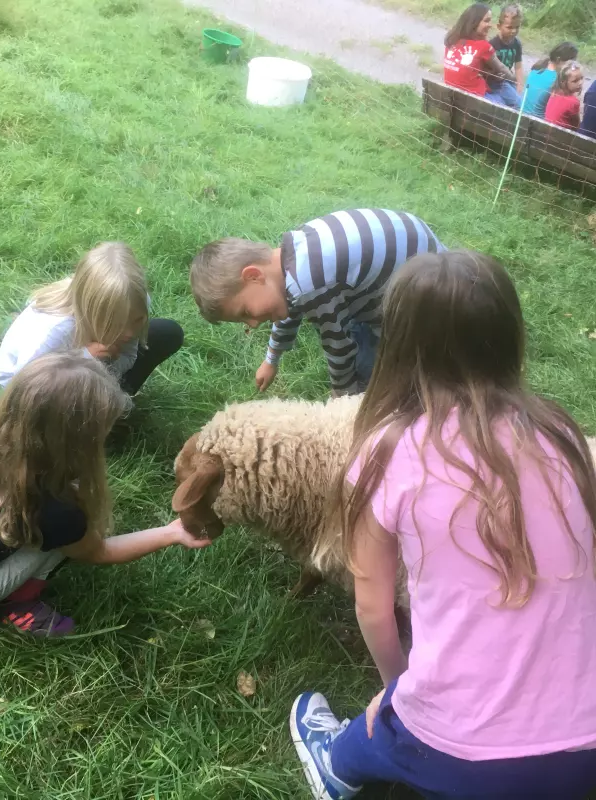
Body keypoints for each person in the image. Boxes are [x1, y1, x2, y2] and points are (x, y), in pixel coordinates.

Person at [289, 250, 596, 799]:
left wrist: (396, 694)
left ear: (399, 343)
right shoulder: (565, 438)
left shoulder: (387, 451)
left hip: (457, 752)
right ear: (509, 335)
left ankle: (335, 762)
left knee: (357, 746)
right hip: (584, 751)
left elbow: (374, 607)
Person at [0, 353, 210, 637]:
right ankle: (16, 605)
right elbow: (97, 552)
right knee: (58, 542)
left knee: (40, 529)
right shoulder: (56, 508)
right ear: (78, 442)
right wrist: (171, 533)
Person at [190, 210, 445, 396]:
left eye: (246, 312)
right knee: (343, 312)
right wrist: (272, 359)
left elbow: (339, 347)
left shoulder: (310, 284)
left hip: (429, 291)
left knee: (372, 377)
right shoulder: (294, 255)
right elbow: (290, 310)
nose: (253, 324)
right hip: (416, 255)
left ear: (253, 276)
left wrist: (341, 394)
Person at [0, 241, 184, 397]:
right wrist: (84, 360)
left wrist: (108, 366)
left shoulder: (135, 303)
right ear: (92, 311)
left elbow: (129, 354)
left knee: (166, 332)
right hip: (36, 386)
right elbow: (21, 389)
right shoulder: (56, 331)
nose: (129, 333)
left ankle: (107, 407)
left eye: (137, 320)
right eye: (116, 323)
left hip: (89, 364)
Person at [443, 3, 515, 104]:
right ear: (474, 22)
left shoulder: (452, 40)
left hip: (452, 96)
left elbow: (467, 69)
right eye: (486, 21)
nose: (490, 25)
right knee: (513, 103)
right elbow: (501, 68)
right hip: (475, 99)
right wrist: (515, 80)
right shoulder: (483, 46)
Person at [522, 41, 579, 118]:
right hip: (537, 121)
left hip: (522, 113)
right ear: (558, 60)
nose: (572, 66)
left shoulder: (539, 66)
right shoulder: (558, 79)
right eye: (570, 63)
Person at [485, 4, 524, 108]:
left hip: (509, 79)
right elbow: (484, 68)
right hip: (496, 82)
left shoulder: (517, 44)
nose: (514, 31)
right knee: (518, 104)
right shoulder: (492, 44)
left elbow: (518, 66)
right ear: (499, 26)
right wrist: (492, 75)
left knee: (522, 99)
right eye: (509, 27)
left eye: (517, 27)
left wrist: (519, 85)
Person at [545, 61, 584, 130]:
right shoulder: (573, 102)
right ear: (564, 83)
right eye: (575, 81)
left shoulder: (554, 93)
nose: (580, 83)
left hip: (546, 131)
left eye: (581, 78)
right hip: (561, 137)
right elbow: (576, 125)